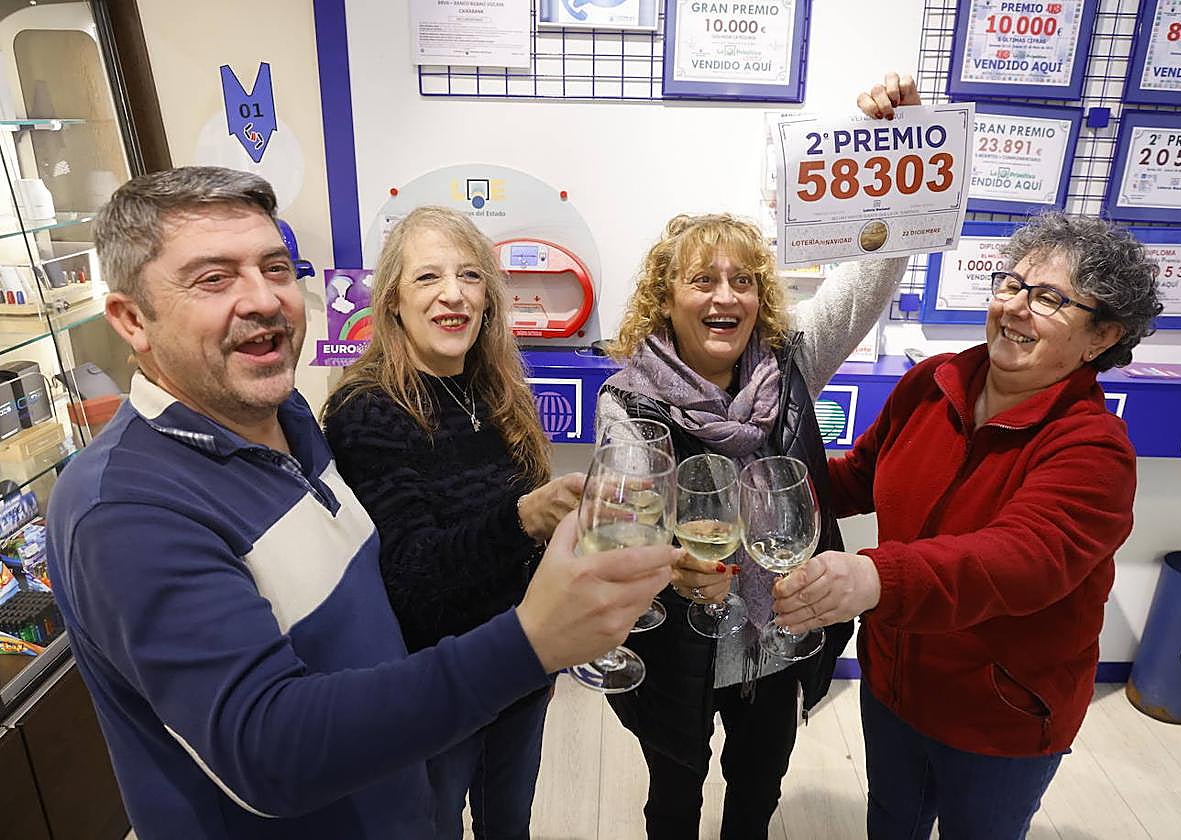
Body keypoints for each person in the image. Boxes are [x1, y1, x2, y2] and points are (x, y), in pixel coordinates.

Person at [44, 166, 676, 840]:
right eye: (213, 278)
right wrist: (531, 641)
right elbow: (271, 747)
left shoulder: (289, 420)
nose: (262, 300)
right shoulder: (125, 511)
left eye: (276, 267)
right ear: (131, 319)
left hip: (408, 774)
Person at [594, 74, 919, 840]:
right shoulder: (630, 398)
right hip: (678, 647)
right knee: (674, 795)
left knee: (757, 791)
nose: (725, 296)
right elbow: (627, 527)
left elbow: (867, 283)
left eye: (743, 280)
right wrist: (670, 562)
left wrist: (893, 152)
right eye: (702, 279)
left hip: (777, 640)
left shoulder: (792, 359)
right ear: (665, 299)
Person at [774, 211, 1163, 838]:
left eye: (1048, 298)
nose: (1014, 307)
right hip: (895, 681)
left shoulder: (1093, 448)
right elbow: (859, 478)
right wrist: (764, 492)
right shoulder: (935, 380)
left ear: (1102, 335)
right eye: (1009, 284)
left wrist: (875, 578)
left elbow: (1021, 557)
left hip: (1001, 715)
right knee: (892, 820)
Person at [322, 206, 585, 839]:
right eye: (428, 278)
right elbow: (412, 574)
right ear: (391, 303)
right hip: (437, 686)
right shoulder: (367, 411)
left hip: (519, 668)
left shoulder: (495, 390)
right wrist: (523, 518)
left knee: (508, 824)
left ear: (489, 299)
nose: (453, 294)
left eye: (470, 276)